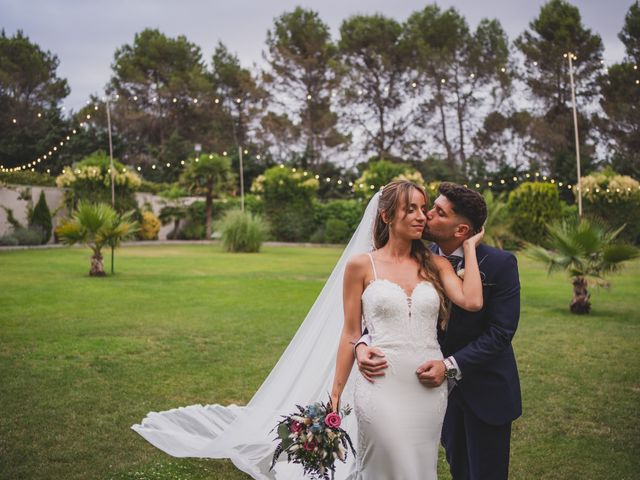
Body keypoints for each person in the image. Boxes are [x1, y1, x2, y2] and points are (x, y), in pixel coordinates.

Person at [356, 182, 522, 480]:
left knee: (486, 474)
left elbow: (500, 332)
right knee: (453, 467)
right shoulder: (422, 256)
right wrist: (363, 343)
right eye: (427, 207)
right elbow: (391, 311)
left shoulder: (500, 264)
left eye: (437, 211)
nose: (426, 215)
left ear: (461, 231)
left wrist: (448, 367)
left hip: (485, 389)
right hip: (429, 389)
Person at [330, 180, 485, 479]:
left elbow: (473, 300)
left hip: (427, 390)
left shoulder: (437, 264)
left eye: (423, 209)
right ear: (387, 216)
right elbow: (351, 333)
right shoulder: (361, 266)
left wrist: (469, 249)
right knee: (388, 461)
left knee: (418, 467)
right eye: (410, 209)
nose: (420, 216)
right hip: (379, 384)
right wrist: (335, 395)